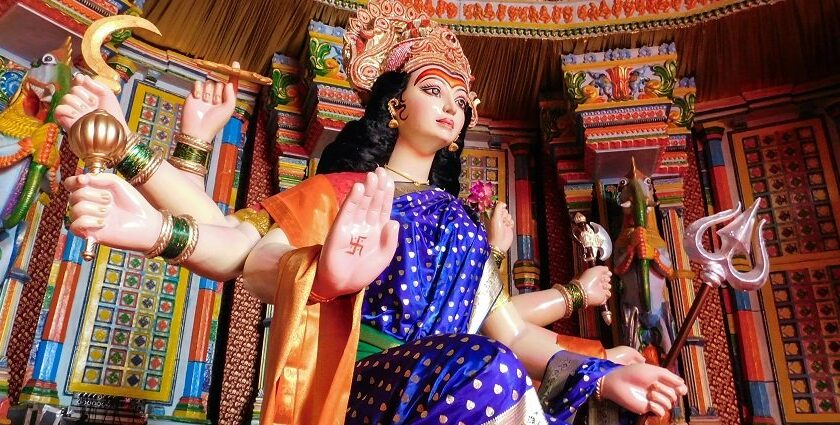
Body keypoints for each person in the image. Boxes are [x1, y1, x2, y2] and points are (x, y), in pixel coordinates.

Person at [58, 1, 687, 423]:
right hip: (361, 379)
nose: (451, 107)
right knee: (486, 369)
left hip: (455, 380)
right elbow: (244, 250)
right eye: (433, 89)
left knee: (496, 365)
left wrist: (602, 375)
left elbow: (513, 333)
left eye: (461, 101)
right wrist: (149, 213)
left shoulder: (462, 223)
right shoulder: (350, 190)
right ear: (394, 106)